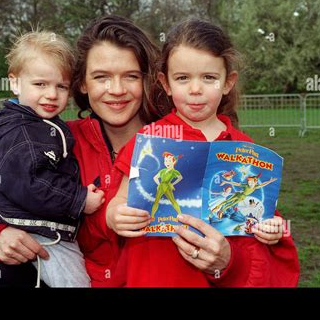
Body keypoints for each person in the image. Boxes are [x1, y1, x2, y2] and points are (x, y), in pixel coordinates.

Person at [0, 15, 169, 287]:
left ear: (147, 80)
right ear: (82, 83)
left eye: (130, 76)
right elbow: (4, 202)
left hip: (153, 279)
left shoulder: (175, 143)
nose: (116, 90)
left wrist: (222, 261)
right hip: (79, 274)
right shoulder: (56, 140)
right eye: (101, 77)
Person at [106, 19, 300, 287]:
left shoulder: (244, 147)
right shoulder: (148, 140)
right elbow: (120, 200)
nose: (195, 89)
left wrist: (272, 229)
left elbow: (261, 213)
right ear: (166, 84)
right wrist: (115, 215)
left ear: (227, 82)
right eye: (182, 78)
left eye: (209, 77)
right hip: (155, 273)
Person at [0, 31, 105, 287]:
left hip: (39, 228)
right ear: (15, 82)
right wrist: (79, 199)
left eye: (61, 86)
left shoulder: (38, 125)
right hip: (41, 233)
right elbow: (32, 183)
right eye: (40, 84)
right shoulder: (23, 134)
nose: (52, 94)